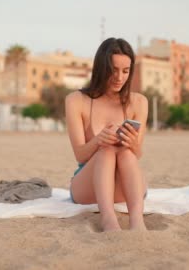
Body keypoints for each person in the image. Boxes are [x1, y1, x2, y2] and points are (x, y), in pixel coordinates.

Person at [65, 37, 149, 232]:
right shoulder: (76, 101)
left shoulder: (139, 102)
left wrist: (132, 143)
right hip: (88, 187)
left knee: (126, 153)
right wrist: (98, 140)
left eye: (126, 71)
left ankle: (137, 221)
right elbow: (80, 155)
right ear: (101, 68)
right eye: (113, 70)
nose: (119, 77)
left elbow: (137, 154)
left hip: (126, 184)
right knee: (106, 150)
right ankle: (108, 219)